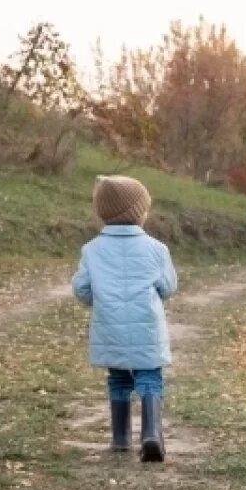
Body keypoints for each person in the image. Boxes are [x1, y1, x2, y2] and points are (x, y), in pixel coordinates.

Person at [71, 175, 178, 462]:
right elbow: (168, 287)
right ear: (138, 212)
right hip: (148, 329)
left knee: (118, 378)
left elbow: (81, 289)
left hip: (109, 328)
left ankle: (120, 439)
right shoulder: (157, 249)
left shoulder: (92, 250)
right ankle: (151, 434)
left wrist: (100, 300)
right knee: (150, 377)